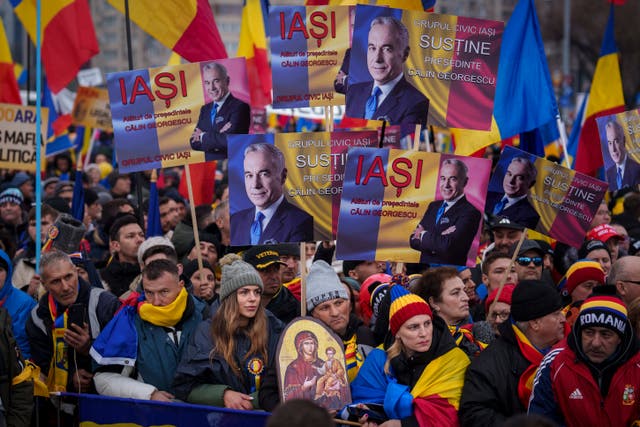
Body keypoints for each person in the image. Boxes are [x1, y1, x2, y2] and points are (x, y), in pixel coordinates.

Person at [259, 260, 377, 411]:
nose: (335, 313)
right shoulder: (295, 341)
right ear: (312, 313)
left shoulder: (365, 335)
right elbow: (267, 396)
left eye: (339, 303)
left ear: (349, 304)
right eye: (324, 307)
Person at [173, 254, 283, 409]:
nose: (253, 298)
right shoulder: (206, 332)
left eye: (257, 292)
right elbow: (185, 386)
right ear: (230, 296)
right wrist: (222, 395)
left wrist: (257, 400)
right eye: (244, 292)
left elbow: (285, 380)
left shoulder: (274, 328)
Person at [349, 285, 470, 426]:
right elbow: (364, 397)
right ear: (397, 333)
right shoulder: (379, 357)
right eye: (413, 327)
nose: (424, 333)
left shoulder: (455, 360)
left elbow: (453, 412)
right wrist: (370, 417)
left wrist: (405, 424)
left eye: (427, 323)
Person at [92, 259, 205, 401]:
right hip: (151, 416)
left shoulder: (205, 314)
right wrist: (148, 394)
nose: (156, 301)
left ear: (180, 285)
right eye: (149, 293)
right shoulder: (129, 320)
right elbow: (103, 378)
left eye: (164, 292)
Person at [459, 280, 565, 426]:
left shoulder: (568, 352)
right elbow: (474, 414)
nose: (563, 319)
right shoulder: (488, 364)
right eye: (556, 314)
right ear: (535, 323)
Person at [529, 291, 640, 426]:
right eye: (589, 333)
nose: (596, 343)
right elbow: (539, 421)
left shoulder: (637, 365)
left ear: (620, 338)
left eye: (606, 334)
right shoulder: (555, 364)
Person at [26, 250, 120, 393]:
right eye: (56, 281)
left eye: (68, 277)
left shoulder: (105, 303)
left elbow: (122, 356)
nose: (65, 287)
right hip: (61, 400)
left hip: (104, 396)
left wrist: (89, 348)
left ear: (76, 272)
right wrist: (70, 378)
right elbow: (43, 362)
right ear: (44, 285)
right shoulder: (37, 316)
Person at [345, 16, 428, 126]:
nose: (377, 58)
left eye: (386, 49)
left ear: (405, 54)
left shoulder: (416, 103)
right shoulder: (352, 92)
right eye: (372, 48)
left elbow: (400, 141)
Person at [231, 143, 313, 245]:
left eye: (264, 174)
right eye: (249, 175)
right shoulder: (235, 220)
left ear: (283, 176)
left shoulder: (301, 222)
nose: (255, 184)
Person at [410, 158, 481, 266]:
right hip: (423, 271)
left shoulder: (470, 212)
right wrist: (440, 238)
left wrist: (423, 235)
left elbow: (448, 247)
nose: (446, 184)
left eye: (452, 179)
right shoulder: (433, 206)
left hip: (448, 273)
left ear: (465, 182)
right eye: (443, 178)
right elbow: (412, 241)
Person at [414, 266, 484, 358]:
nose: (466, 298)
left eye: (464, 291)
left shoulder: (481, 331)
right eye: (455, 293)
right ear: (434, 302)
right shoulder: (424, 341)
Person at [190, 62, 250, 159]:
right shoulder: (205, 109)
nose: (211, 88)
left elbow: (231, 141)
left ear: (227, 81)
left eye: (216, 81)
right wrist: (219, 136)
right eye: (207, 83)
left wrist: (202, 136)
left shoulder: (240, 107)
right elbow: (193, 142)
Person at [243, 245, 300, 324]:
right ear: (249, 273)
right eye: (266, 270)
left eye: (276, 269)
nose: (273, 277)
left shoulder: (295, 308)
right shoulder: (234, 305)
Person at [486, 156, 540, 230]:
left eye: (519, 177)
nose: (511, 181)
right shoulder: (488, 196)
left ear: (531, 184)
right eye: (509, 174)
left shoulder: (530, 215)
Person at [603, 119, 640, 191]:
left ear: (624, 141)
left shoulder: (637, 169)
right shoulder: (608, 174)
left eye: (616, 141)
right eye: (610, 143)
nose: (613, 149)